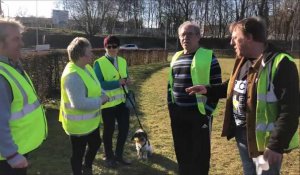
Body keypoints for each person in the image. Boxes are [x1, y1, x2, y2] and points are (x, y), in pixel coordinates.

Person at [186, 17, 299, 175]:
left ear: (250, 37)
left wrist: (275, 145)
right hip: (242, 135)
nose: (231, 43)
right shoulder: (243, 60)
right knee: (249, 172)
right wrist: (208, 90)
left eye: (235, 38)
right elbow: (232, 86)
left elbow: (291, 111)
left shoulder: (282, 63)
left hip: (264, 144)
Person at [167, 21, 222, 175]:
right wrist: (172, 107)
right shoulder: (176, 57)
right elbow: (170, 85)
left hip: (200, 114)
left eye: (189, 34)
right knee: (182, 151)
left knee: (200, 154)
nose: (185, 38)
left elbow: (217, 86)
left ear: (198, 36)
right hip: (178, 114)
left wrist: (208, 111)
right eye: (182, 35)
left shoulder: (209, 56)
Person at [0, 18, 47, 175]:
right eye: (16, 39)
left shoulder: (11, 66)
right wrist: (12, 155)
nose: (22, 44)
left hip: (16, 150)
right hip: (8, 159)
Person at [59, 37, 109, 175]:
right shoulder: (72, 76)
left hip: (91, 122)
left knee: (95, 144)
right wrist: (101, 100)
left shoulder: (86, 67)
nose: (92, 54)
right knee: (77, 154)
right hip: (78, 127)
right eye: (89, 52)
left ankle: (87, 167)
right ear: (81, 55)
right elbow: (79, 104)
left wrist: (103, 94)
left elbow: (96, 86)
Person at [93, 35, 131, 167]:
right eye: (109, 46)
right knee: (108, 131)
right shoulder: (99, 63)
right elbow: (99, 84)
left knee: (124, 129)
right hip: (107, 104)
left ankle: (119, 155)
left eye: (114, 46)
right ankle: (109, 157)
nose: (112, 49)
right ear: (105, 47)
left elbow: (126, 76)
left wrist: (127, 81)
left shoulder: (123, 61)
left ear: (118, 47)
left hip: (122, 103)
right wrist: (117, 83)